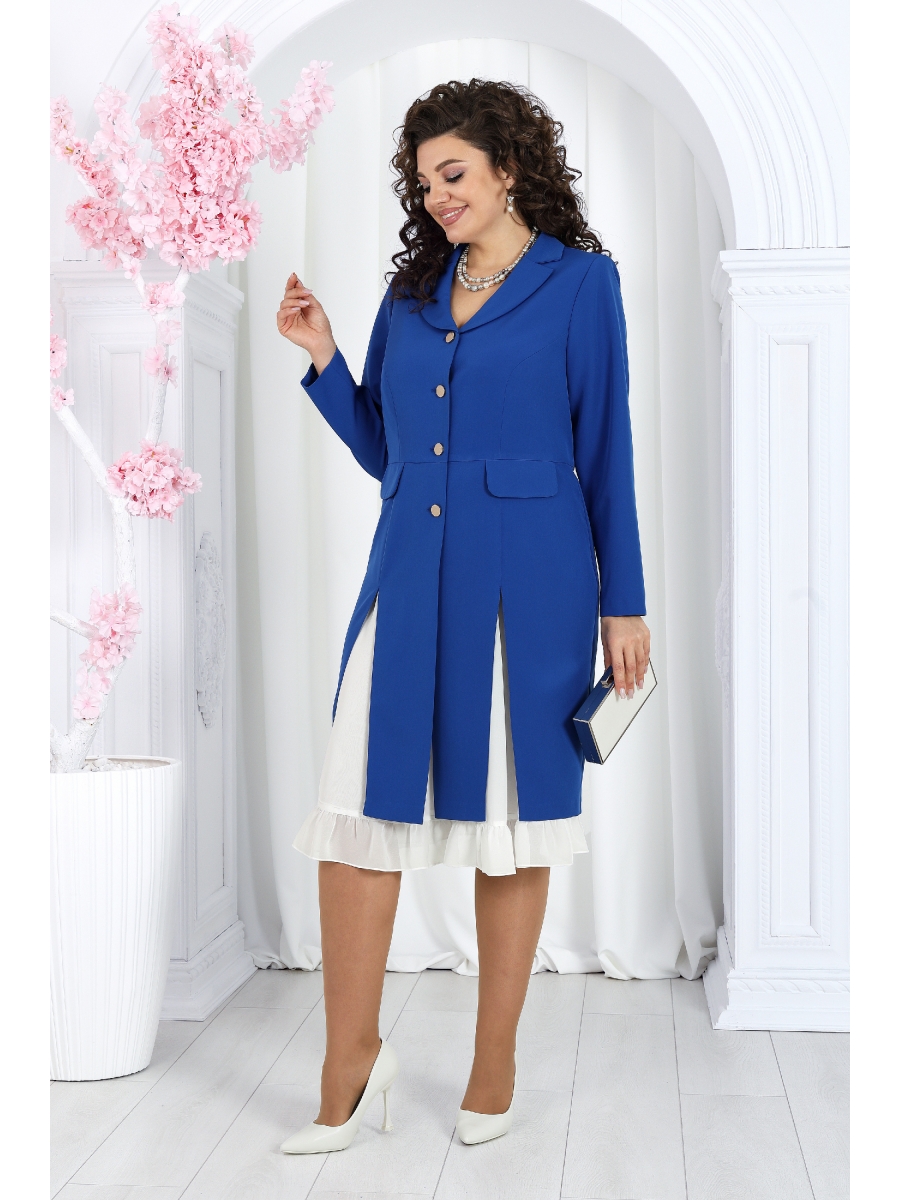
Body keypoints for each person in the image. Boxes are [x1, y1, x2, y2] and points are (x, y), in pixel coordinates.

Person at [275, 78, 650, 1154]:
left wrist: (624, 602)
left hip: (532, 582)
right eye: (425, 180)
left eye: (455, 173)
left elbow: (607, 447)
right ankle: (350, 1064)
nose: (438, 195)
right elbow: (386, 451)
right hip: (408, 572)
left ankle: (495, 1061)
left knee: (511, 825)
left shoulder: (581, 284)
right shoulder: (409, 294)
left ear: (508, 169)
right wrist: (325, 358)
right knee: (358, 810)